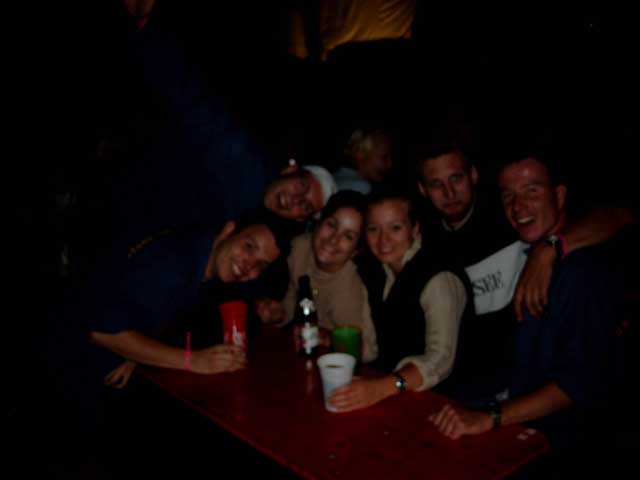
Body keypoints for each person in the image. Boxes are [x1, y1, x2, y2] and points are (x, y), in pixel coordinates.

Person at [429, 151, 624, 456]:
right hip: (511, 410)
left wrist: (490, 417)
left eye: (531, 190)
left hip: (556, 439)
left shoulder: (579, 271)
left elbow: (578, 382)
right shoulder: (519, 245)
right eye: (508, 195)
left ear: (559, 195)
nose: (518, 206)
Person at [45, 208, 291, 436]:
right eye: (249, 246)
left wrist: (137, 352)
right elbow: (102, 331)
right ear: (228, 231)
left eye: (261, 265)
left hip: (106, 370)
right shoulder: (176, 260)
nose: (250, 265)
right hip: (66, 369)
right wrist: (194, 360)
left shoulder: (207, 261)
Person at [328, 192, 473, 412]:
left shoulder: (438, 276)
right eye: (373, 229)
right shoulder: (373, 272)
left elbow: (440, 359)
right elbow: (371, 349)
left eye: (395, 228)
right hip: (396, 395)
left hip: (452, 403)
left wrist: (380, 388)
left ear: (415, 229)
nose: (383, 240)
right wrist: (329, 339)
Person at [256, 190, 377, 361]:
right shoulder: (298, 249)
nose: (333, 239)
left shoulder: (352, 286)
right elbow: (291, 304)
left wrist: (328, 337)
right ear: (319, 222)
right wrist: (276, 313)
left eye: (348, 236)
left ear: (355, 251)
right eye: (331, 225)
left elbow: (367, 351)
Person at [333, 128, 393, 194]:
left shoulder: (335, 177)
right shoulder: (361, 186)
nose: (389, 164)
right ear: (361, 154)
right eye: (384, 157)